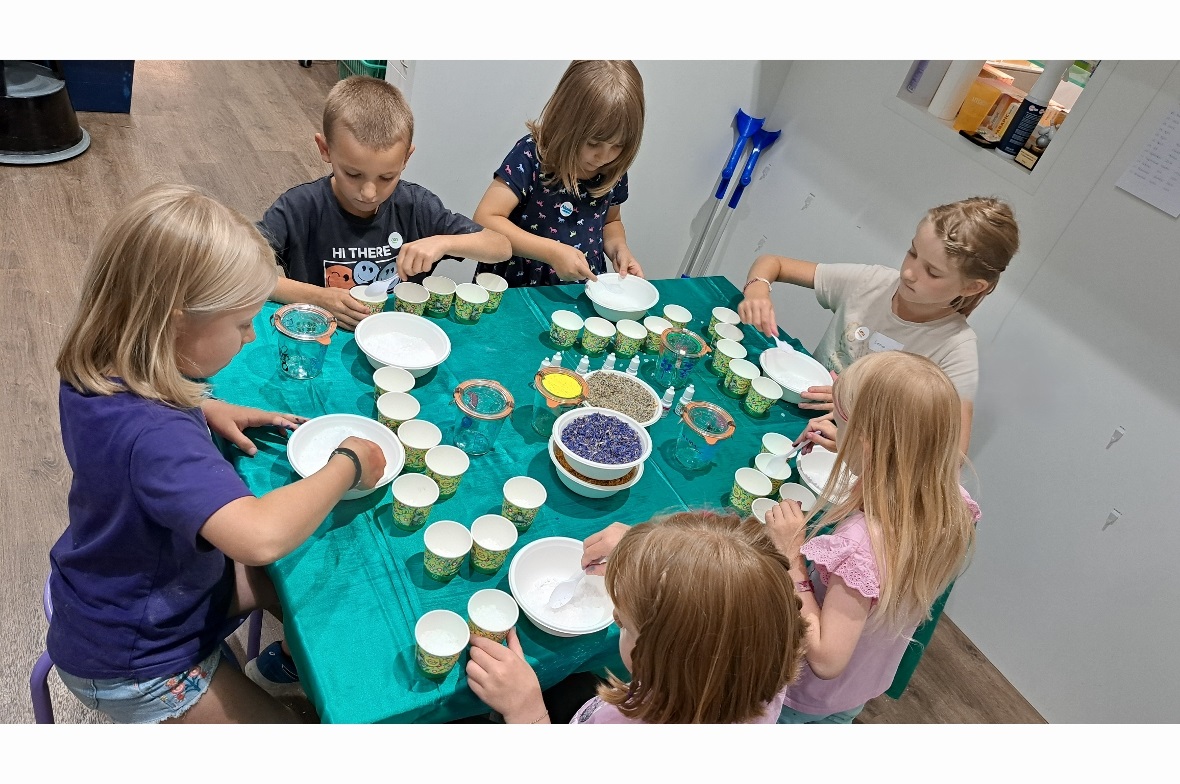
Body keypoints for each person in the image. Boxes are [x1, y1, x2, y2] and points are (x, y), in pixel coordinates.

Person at [48, 184, 387, 724]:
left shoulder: (96, 366)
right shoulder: (155, 439)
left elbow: (136, 431)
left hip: (116, 585)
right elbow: (257, 536)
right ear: (176, 319)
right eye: (240, 323)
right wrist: (346, 463)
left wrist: (205, 407)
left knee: (302, 575)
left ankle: (279, 669)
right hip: (138, 659)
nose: (251, 338)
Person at [762, 351, 982, 723]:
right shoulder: (955, 503)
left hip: (805, 698)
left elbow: (826, 658)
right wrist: (855, 453)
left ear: (867, 444)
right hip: (861, 685)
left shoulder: (860, 543)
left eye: (841, 425)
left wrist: (791, 556)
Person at [465, 511, 807, 724]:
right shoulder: (758, 668)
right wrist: (648, 551)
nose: (616, 618)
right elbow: (734, 577)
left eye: (626, 624)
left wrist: (526, 710)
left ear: (665, 660)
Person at [737, 196, 1020, 452]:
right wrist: (757, 289)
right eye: (912, 252)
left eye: (932, 272)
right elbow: (772, 262)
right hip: (794, 414)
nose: (909, 273)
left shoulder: (954, 348)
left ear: (971, 287)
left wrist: (859, 442)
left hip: (852, 455)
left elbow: (953, 454)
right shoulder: (870, 283)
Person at [259, 75, 511, 330]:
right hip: (322, 339)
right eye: (353, 174)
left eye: (387, 177)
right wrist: (318, 298)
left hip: (398, 338)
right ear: (325, 149)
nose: (369, 193)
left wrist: (444, 242)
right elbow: (241, 268)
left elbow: (501, 246)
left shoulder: (416, 207)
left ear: (406, 159)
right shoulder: (299, 208)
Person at [472, 60, 646, 287]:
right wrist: (550, 252)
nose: (604, 157)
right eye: (593, 143)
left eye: (617, 146)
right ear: (566, 122)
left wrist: (619, 249)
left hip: (580, 289)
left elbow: (610, 222)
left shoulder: (613, 169)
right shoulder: (531, 156)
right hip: (518, 286)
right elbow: (486, 219)